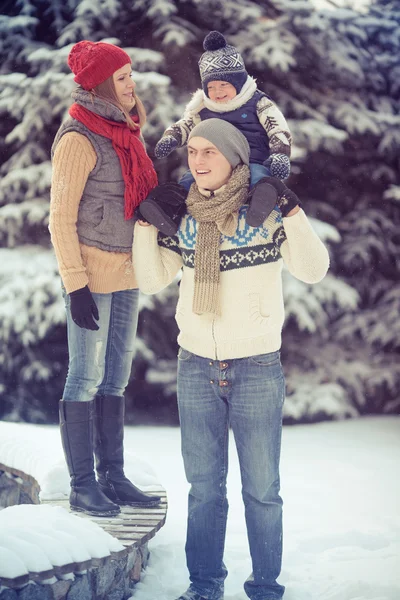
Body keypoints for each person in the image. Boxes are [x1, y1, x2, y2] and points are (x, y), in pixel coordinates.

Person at [133, 119, 330, 600]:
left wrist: (292, 209)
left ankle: (265, 587)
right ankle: (204, 585)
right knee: (203, 490)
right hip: (196, 366)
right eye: (193, 151)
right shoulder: (184, 215)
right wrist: (144, 223)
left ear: (236, 160)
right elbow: (152, 279)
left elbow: (313, 269)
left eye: (209, 153)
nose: (197, 161)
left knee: (262, 491)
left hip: (257, 368)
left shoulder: (262, 210)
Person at [49, 40, 161, 517]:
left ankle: (112, 476)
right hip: (91, 276)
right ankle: (81, 484)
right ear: (100, 84)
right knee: (85, 376)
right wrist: (75, 285)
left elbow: (133, 198)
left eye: (130, 75)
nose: (131, 84)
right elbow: (60, 218)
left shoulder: (126, 132)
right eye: (122, 78)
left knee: (115, 377)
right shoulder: (79, 137)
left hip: (128, 269)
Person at [138, 30, 292, 235]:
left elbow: (277, 128)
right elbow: (186, 124)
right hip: (214, 165)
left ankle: (259, 209)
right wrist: (171, 138)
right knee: (188, 180)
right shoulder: (203, 107)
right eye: (211, 87)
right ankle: (169, 211)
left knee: (259, 178)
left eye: (224, 85)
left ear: (238, 83)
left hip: (252, 160)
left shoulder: (257, 102)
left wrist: (280, 154)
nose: (217, 92)